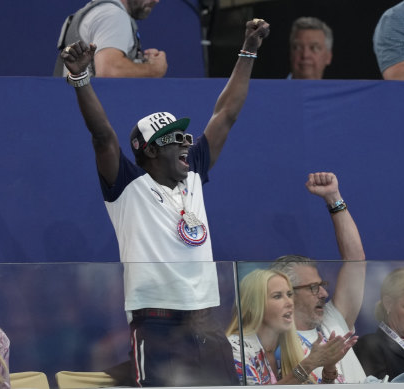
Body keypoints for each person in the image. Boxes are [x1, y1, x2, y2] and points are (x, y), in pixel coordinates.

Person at [59, 18, 270, 387]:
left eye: (186, 136)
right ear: (152, 150)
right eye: (176, 139)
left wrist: (248, 50)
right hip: (157, 323)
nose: (188, 143)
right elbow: (102, 137)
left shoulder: (193, 175)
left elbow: (226, 113)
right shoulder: (128, 187)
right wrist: (81, 79)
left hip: (206, 320)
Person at [270, 172, 367, 383]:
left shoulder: (333, 320)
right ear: (288, 294)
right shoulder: (273, 342)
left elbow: (355, 261)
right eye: (314, 287)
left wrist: (334, 198)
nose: (324, 293)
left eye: (322, 285)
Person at [226, 268, 358, 385]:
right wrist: (308, 364)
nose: (289, 302)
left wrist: (329, 369)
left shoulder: (296, 345)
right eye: (277, 296)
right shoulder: (236, 347)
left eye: (289, 295)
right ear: (254, 307)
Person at [53, 0, 167, 78]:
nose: (157, 0)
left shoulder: (97, 11)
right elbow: (109, 71)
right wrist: (154, 70)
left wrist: (139, 62)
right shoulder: (113, 15)